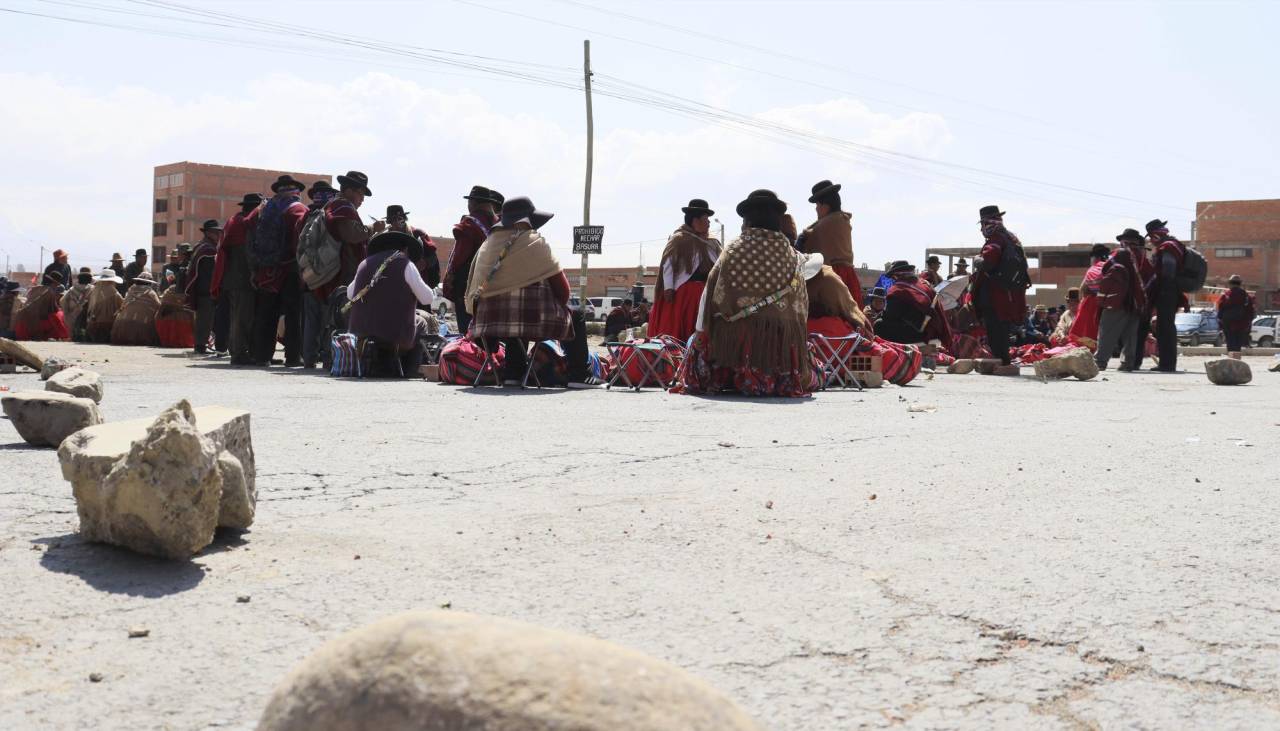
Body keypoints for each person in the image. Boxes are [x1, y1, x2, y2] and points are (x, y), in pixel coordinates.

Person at [676, 189, 821, 397]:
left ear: (747, 220)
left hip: (732, 353)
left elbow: (709, 294)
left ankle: (734, 374)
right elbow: (801, 307)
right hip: (780, 355)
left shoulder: (734, 249)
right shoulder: (791, 256)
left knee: (695, 347)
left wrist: (701, 333)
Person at [464, 196, 574, 386]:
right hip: (531, 322)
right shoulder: (535, 243)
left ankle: (513, 372)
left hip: (487, 323)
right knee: (575, 316)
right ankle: (580, 374)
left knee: (513, 315)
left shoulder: (486, 245)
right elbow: (563, 293)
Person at [345, 230, 436, 375]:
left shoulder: (364, 264)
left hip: (361, 332)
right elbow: (427, 298)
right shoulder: (405, 264)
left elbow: (350, 294)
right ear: (405, 249)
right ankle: (410, 369)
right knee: (422, 322)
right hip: (394, 334)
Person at [251, 175, 309, 367]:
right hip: (290, 268)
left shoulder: (266, 208)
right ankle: (293, 357)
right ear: (296, 191)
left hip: (267, 270)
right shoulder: (298, 209)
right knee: (293, 315)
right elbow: (301, 240)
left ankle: (262, 356)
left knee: (267, 314)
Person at [649, 198, 721, 343]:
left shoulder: (712, 242)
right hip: (685, 294)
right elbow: (668, 264)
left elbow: (720, 264)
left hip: (708, 292)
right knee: (683, 327)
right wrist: (668, 288)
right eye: (706, 219)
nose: (709, 223)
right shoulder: (679, 239)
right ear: (695, 221)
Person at [970, 205, 1029, 368]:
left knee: (995, 328)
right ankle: (1003, 360)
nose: (981, 229)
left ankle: (1000, 361)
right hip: (1010, 294)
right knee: (1002, 328)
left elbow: (988, 263)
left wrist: (977, 259)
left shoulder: (996, 239)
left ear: (987, 223)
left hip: (995, 294)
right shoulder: (1012, 238)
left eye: (982, 224)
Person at [213, 192, 263, 364]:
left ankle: (240, 351)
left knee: (238, 317)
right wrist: (253, 273)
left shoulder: (233, 221)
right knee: (242, 318)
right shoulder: (244, 225)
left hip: (231, 278)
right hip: (241, 278)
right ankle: (238, 353)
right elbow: (247, 254)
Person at [445, 185, 502, 334]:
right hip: (495, 286)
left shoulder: (470, 225)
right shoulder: (498, 225)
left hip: (469, 289)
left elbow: (458, 258)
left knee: (469, 337)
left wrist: (450, 282)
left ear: (474, 203)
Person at [796, 180, 863, 307]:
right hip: (847, 276)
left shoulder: (825, 225)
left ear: (825, 205)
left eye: (817, 204)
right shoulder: (843, 219)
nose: (816, 208)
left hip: (830, 276)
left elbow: (806, 245)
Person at [300, 180, 340, 368]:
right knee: (327, 320)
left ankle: (308, 358)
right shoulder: (329, 217)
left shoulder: (305, 217)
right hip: (328, 277)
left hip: (307, 276)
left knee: (310, 321)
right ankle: (326, 358)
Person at [875, 261, 953, 351]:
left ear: (896, 276)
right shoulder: (925, 287)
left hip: (915, 334)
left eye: (893, 277)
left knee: (878, 324)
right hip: (931, 332)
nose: (893, 280)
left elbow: (890, 316)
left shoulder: (897, 290)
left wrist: (879, 315)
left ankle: (888, 351)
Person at [1094, 242, 1147, 370]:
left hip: (1116, 306)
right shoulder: (1134, 269)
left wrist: (1104, 303)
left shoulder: (1116, 268)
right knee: (1130, 336)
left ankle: (1100, 361)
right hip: (1133, 306)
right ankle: (1127, 363)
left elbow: (1105, 285)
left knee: (1107, 333)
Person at [1146, 219, 1186, 372]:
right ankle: (1167, 362)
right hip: (1170, 291)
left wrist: (1157, 285)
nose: (1150, 240)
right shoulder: (1173, 244)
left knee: (1165, 328)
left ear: (1155, 235)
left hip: (1167, 291)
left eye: (1151, 237)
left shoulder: (1168, 247)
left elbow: (1168, 270)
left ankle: (1167, 364)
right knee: (1166, 327)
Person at [1065, 243, 1111, 350]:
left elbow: (1083, 288)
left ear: (1095, 257)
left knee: (1087, 329)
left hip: (1091, 303)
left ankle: (1090, 349)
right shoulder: (1110, 266)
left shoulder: (1093, 269)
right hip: (1109, 302)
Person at [186, 219, 220, 353]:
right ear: (208, 233)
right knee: (205, 320)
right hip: (206, 289)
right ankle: (200, 346)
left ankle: (201, 344)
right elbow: (210, 273)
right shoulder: (208, 250)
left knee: (204, 319)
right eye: (215, 232)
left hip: (201, 289)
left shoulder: (201, 246)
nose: (218, 235)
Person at [386, 204, 440, 289]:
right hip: (395, 287)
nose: (397, 222)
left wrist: (424, 263)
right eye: (394, 220)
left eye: (399, 219)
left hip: (418, 286)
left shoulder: (417, 234)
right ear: (390, 222)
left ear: (404, 219)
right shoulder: (386, 240)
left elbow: (433, 258)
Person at [111, 270, 161, 346]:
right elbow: (159, 308)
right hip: (142, 330)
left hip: (121, 329)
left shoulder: (130, 291)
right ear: (149, 283)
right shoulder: (151, 293)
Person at [1216, 274, 1255, 360]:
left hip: (1228, 325)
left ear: (1230, 283)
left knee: (1230, 345)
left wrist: (1221, 324)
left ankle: (1231, 362)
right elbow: (1251, 312)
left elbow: (1220, 310)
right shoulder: (1246, 296)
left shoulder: (1225, 295)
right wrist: (1247, 324)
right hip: (1241, 325)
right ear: (1240, 284)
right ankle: (1237, 362)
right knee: (1238, 346)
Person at [86, 268, 124, 343]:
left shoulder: (94, 290)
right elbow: (122, 305)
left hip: (92, 325)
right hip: (108, 325)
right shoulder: (114, 292)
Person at [60, 267, 94, 341]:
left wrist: (67, 313)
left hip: (72, 316)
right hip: (87, 317)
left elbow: (62, 301)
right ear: (89, 280)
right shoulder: (92, 289)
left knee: (73, 334)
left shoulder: (71, 289)